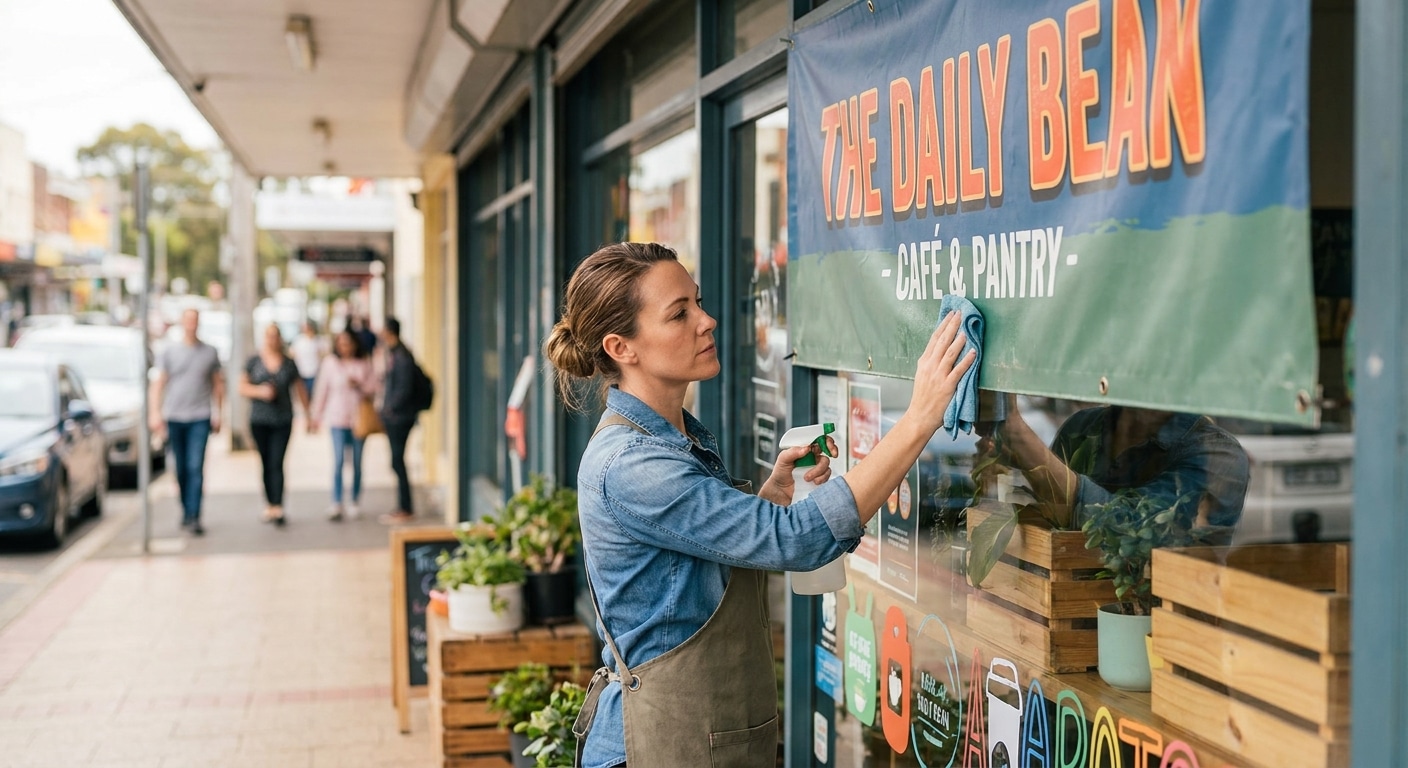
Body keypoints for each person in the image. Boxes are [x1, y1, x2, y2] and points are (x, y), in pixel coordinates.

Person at [542, 242, 975, 768]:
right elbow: (799, 540)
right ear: (621, 347)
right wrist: (920, 417)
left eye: (697, 302)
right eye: (680, 314)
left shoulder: (675, 441)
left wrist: (769, 500)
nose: (707, 321)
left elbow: (686, 578)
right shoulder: (634, 465)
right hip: (655, 749)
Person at [976, 399, 1250, 532]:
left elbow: (1134, 532)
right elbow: (1049, 520)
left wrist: (1020, 438)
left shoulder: (1217, 454)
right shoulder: (1081, 428)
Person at [149, 308, 225, 536]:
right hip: (174, 417)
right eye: (188, 320)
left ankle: (194, 515)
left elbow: (218, 385)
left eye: (195, 320)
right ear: (182, 323)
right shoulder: (169, 351)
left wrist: (219, 413)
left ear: (199, 323)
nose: (191, 324)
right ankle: (185, 508)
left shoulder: (210, 352)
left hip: (200, 417)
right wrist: (155, 412)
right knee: (180, 468)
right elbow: (158, 383)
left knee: (195, 466)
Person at [238, 324, 310, 526]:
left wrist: (309, 414)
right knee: (265, 462)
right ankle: (269, 503)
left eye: (275, 336)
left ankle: (278, 505)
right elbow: (241, 387)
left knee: (277, 462)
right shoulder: (253, 361)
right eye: (268, 336)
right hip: (259, 420)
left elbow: (300, 388)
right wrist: (260, 392)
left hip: (282, 419)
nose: (272, 340)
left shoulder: (288, 362)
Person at [309, 328, 378, 521]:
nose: (345, 347)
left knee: (357, 462)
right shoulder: (330, 363)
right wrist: (316, 416)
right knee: (338, 460)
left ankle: (355, 500)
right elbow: (322, 389)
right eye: (342, 343)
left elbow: (375, 387)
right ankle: (336, 501)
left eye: (348, 343)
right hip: (337, 418)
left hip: (358, 420)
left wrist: (360, 385)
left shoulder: (363, 363)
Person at [378, 316, 419, 524]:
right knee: (396, 461)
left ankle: (406, 507)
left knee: (397, 461)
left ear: (389, 332)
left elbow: (403, 389)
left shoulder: (401, 357)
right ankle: (403, 505)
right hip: (398, 416)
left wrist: (388, 409)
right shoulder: (395, 353)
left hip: (400, 418)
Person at [290, 320, 323, 398]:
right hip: (302, 372)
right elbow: (292, 353)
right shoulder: (298, 340)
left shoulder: (317, 340)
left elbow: (322, 355)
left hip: (314, 372)